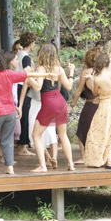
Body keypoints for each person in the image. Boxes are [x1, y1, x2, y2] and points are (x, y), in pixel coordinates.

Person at [0, 50, 52, 175]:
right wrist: (48, 73)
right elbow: (27, 75)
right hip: (10, 113)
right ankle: (10, 167)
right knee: (8, 140)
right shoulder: (8, 74)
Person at [19, 43, 75, 172]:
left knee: (36, 136)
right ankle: (70, 164)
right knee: (62, 134)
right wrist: (71, 72)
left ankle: (43, 166)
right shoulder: (59, 68)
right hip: (60, 101)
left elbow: (38, 87)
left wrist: (28, 75)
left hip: (49, 102)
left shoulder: (41, 68)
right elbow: (69, 86)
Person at [84, 53, 111, 168]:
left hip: (105, 106)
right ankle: (108, 160)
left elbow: (95, 92)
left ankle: (96, 160)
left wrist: (91, 79)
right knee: (110, 133)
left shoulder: (98, 79)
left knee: (97, 133)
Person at [70, 48, 99, 164]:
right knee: (97, 129)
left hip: (90, 104)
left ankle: (83, 157)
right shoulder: (101, 72)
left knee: (82, 129)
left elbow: (78, 91)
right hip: (100, 104)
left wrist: (72, 104)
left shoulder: (86, 73)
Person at [16, 31, 38, 156]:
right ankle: (22, 146)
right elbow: (27, 73)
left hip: (17, 87)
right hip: (22, 88)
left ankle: (21, 143)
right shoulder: (26, 57)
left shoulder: (18, 54)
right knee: (24, 115)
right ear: (31, 44)